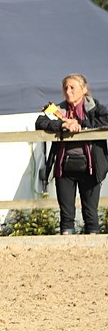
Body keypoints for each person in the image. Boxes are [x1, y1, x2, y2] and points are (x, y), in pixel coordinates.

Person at [36, 74, 108, 234]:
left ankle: (93, 246)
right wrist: (63, 124)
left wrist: (79, 124)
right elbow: (40, 122)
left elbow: (106, 121)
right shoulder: (57, 110)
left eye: (72, 87)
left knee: (91, 212)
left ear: (84, 89)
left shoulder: (96, 108)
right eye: (65, 88)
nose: (68, 91)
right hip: (64, 168)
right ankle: (66, 246)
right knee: (66, 214)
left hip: (91, 168)